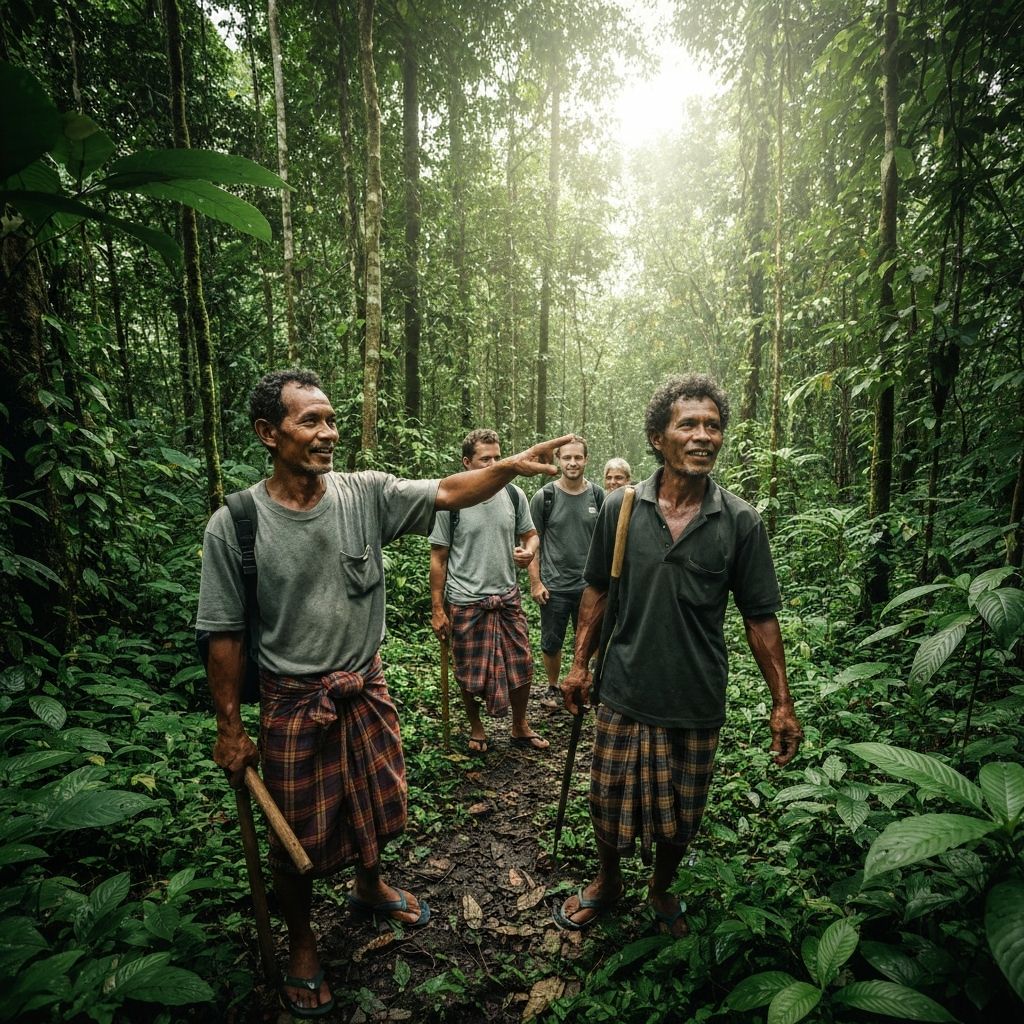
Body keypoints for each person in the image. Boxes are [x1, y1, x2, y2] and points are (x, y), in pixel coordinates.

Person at [197, 369, 570, 1017]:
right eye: (309, 421)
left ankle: (369, 885)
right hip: (295, 702)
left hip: (365, 687)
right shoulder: (236, 525)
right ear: (267, 433)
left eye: (331, 419)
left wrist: (509, 466)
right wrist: (230, 727)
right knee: (295, 833)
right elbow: (222, 635)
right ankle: (304, 944)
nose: (328, 433)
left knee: (375, 801)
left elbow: (449, 490)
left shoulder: (365, 494)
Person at [553, 373, 803, 937]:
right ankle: (608, 881)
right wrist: (578, 665)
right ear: (658, 438)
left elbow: (760, 616)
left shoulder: (739, 520)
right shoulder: (620, 508)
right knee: (607, 798)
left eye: (713, 426)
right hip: (624, 687)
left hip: (695, 696)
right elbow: (597, 591)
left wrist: (782, 703)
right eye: (687, 424)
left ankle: (661, 887)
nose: (703, 436)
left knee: (683, 811)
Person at [429, 429, 549, 754]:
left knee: (521, 662)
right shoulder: (450, 500)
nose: (495, 464)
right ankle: (476, 727)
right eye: (486, 459)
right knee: (467, 667)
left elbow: (531, 535)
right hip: (466, 600)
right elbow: (439, 557)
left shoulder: (514, 494)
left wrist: (529, 551)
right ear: (467, 462)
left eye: (498, 457)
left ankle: (520, 725)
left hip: (506, 596)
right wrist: (438, 609)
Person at [526, 437, 604, 710]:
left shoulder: (598, 496)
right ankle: (552, 687)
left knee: (591, 640)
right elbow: (532, 541)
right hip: (554, 585)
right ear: (558, 460)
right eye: (567, 457)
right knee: (551, 641)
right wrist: (535, 582)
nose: (572, 463)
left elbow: (605, 541)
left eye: (578, 457)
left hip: (589, 587)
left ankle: (587, 685)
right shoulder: (545, 497)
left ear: (586, 460)